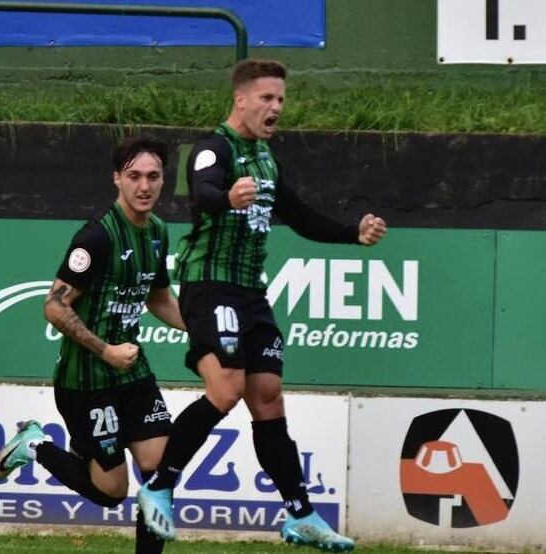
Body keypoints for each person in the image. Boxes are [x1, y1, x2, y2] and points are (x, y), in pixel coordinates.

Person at [136, 59, 386, 552]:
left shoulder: (267, 160)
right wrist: (227, 197)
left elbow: (300, 216)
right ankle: (160, 484)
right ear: (241, 100)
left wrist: (352, 235)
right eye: (267, 98)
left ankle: (300, 514)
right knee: (226, 388)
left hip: (251, 292)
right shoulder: (214, 149)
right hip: (210, 284)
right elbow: (204, 191)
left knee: (268, 395)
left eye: (281, 100)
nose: (276, 108)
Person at [0, 135, 185, 554]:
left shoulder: (158, 232)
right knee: (113, 491)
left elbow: (159, 298)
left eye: (153, 176)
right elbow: (54, 306)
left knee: (160, 469)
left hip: (133, 372)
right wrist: (106, 350)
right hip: (87, 381)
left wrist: (204, 331)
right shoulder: (95, 238)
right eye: (134, 176)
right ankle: (36, 445)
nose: (144, 186)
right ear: (117, 179)